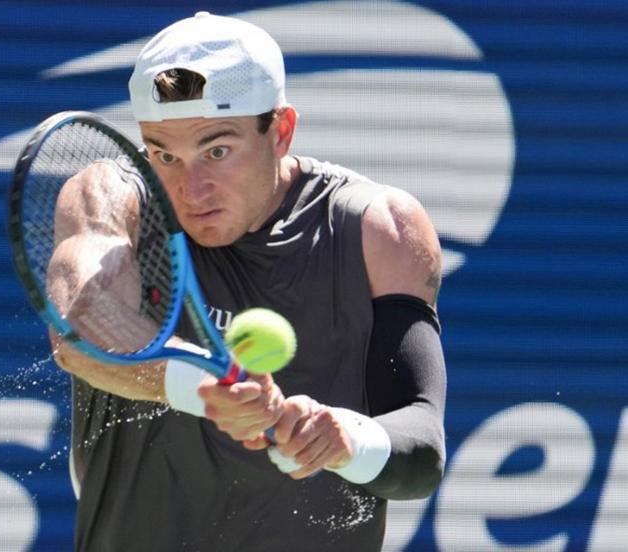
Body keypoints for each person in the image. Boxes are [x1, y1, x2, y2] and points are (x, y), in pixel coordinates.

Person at [49, 11, 446, 551]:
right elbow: (81, 334)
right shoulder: (113, 198)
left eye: (217, 150)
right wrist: (206, 388)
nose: (191, 187)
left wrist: (343, 439)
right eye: (164, 153)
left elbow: (422, 452)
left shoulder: (379, 229)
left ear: (280, 131)